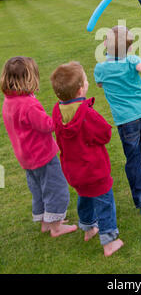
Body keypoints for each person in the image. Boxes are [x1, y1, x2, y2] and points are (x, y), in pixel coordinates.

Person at [50, 61, 124, 256]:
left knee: (84, 196)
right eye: (85, 79)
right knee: (104, 201)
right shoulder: (86, 114)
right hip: (94, 169)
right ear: (81, 88)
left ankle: (89, 228)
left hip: (74, 171)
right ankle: (109, 242)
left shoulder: (57, 111)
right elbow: (105, 134)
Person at [0, 56, 77, 237]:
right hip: (42, 155)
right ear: (29, 78)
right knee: (55, 188)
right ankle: (56, 227)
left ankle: (45, 221)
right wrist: (60, 116)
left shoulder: (9, 101)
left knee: (38, 189)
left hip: (26, 157)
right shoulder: (28, 104)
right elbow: (47, 125)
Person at [94, 25, 141, 216]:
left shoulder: (101, 68)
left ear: (105, 44)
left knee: (133, 157)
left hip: (126, 121)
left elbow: (99, 83)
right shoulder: (132, 60)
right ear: (130, 47)